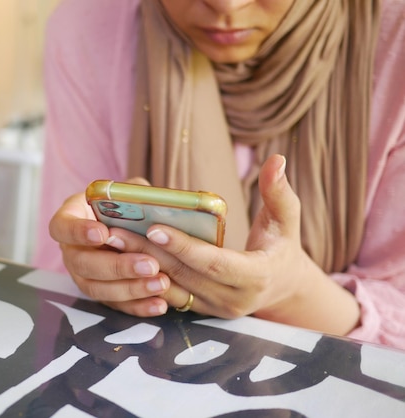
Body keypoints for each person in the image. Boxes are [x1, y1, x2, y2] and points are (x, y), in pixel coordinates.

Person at [32, 0, 405, 350]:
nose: (226, 5)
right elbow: (56, 271)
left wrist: (291, 292)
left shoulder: (396, 40)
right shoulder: (89, 26)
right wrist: (93, 260)